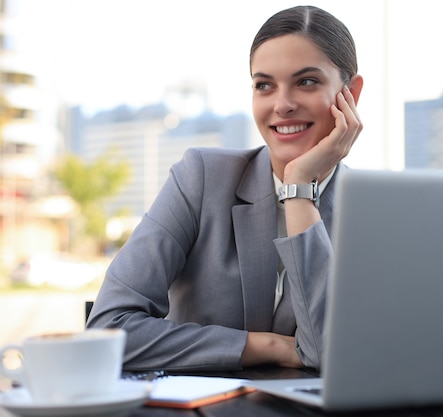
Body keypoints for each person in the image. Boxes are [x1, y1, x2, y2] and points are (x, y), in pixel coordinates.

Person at [87, 5, 364, 372]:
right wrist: (265, 346)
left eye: (306, 82)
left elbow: (333, 355)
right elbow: (108, 330)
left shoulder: (370, 213)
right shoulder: (200, 178)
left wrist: (298, 188)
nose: (282, 104)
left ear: (351, 94)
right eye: (264, 85)